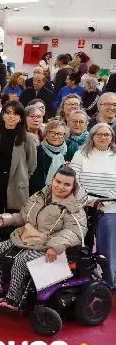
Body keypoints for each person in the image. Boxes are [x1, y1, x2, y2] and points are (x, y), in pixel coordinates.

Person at [0, 167, 86, 309]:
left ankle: (13, 299)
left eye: (67, 184)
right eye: (58, 182)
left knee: (21, 259)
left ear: (73, 186)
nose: (61, 187)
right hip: (28, 237)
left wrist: (54, 246)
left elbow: (75, 231)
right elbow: (22, 216)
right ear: (53, 180)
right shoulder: (39, 197)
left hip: (48, 244)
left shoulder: (74, 208)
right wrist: (5, 219)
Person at [69, 123, 116, 289]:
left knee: (107, 249)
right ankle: (83, 282)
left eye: (107, 134)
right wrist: (88, 199)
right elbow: (74, 179)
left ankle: (107, 284)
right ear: (92, 136)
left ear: (111, 137)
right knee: (82, 247)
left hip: (110, 209)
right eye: (99, 134)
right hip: (83, 207)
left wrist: (104, 200)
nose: (103, 137)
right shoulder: (80, 154)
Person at [0, 100, 38, 214]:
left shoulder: (28, 138)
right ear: (3, 115)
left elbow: (31, 164)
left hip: (17, 184)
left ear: (20, 118)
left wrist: (23, 177)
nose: (11, 116)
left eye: (16, 114)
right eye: (8, 112)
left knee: (14, 221)